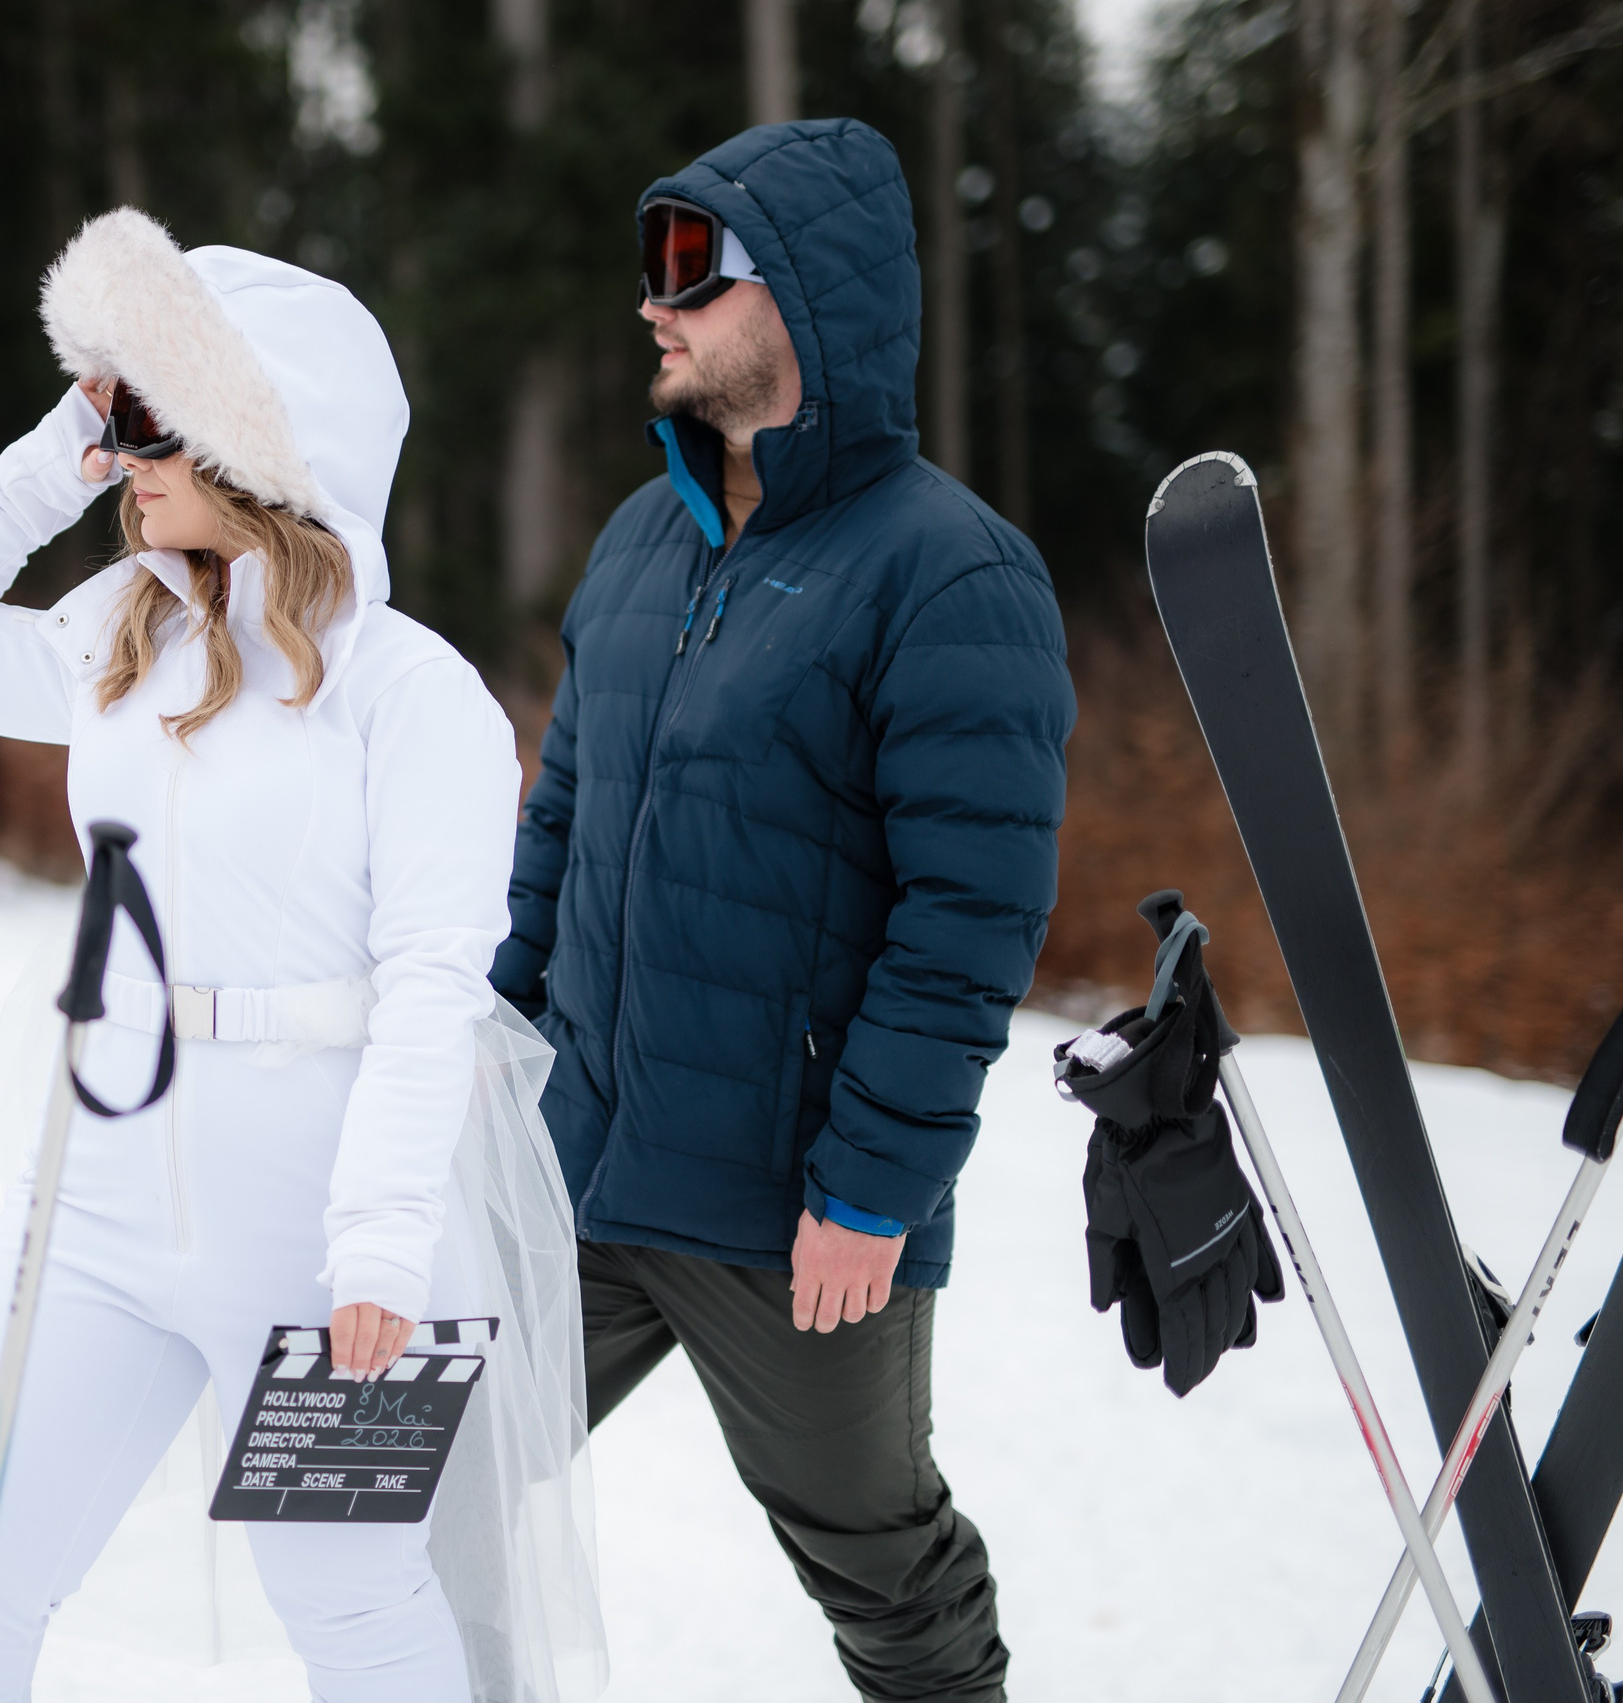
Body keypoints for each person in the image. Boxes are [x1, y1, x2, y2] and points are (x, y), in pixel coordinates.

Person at [0, 208, 598, 1703]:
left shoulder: (413, 693)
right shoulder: (124, 635)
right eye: (112, 411)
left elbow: (434, 990)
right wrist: (55, 446)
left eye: (148, 417)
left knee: (360, 1613)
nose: (121, 453)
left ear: (259, 441)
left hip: (324, 1229)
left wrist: (379, 1241)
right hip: (101, 1202)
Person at [491, 119, 1074, 1701]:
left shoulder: (951, 575)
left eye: (691, 266)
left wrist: (873, 1189)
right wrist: (490, 1069)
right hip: (581, 1163)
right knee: (405, 1483)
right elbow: (562, 821)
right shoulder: (638, 541)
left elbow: (968, 917)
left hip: (791, 1208)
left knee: (881, 1568)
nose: (653, 305)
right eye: (649, 267)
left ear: (804, 298)